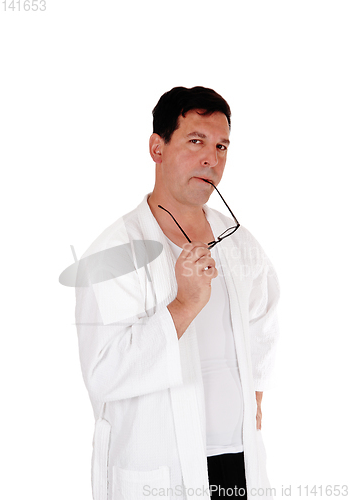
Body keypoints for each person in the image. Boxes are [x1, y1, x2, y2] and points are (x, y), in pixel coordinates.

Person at [75, 86, 280, 500]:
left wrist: (255, 389)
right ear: (157, 148)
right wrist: (184, 305)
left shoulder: (237, 242)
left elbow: (264, 315)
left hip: (237, 460)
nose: (212, 158)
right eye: (196, 141)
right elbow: (103, 375)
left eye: (222, 145)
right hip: (160, 468)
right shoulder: (114, 252)